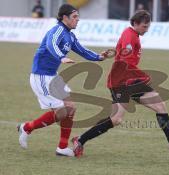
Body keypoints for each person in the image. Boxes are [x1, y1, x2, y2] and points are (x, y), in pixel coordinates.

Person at [72, 10, 169, 158]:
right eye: (144, 26)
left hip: (132, 80)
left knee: (160, 105)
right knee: (116, 119)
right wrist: (141, 76)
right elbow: (125, 62)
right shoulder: (129, 36)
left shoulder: (134, 35)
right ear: (135, 23)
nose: (147, 29)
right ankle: (80, 140)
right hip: (120, 81)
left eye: (148, 26)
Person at [18, 4, 107, 157]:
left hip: (53, 76)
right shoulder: (57, 30)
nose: (77, 20)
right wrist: (62, 57)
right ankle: (27, 127)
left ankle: (62, 147)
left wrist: (99, 57)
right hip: (41, 76)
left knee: (70, 108)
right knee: (61, 112)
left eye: (78, 17)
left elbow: (82, 50)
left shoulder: (70, 35)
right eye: (74, 17)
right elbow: (50, 44)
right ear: (64, 18)